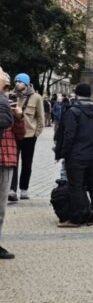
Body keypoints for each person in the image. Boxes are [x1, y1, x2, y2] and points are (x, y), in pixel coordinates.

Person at [54, 83, 93, 228]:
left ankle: (76, 218)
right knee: (92, 184)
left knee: (75, 186)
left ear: (76, 94)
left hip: (75, 155)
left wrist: (62, 153)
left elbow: (68, 135)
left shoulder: (73, 111)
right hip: (91, 154)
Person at [8, 73, 45, 202]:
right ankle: (12, 190)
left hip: (29, 135)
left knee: (27, 163)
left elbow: (40, 117)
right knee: (13, 163)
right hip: (14, 134)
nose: (16, 83)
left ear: (26, 83)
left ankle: (24, 189)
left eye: (19, 81)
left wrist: (37, 132)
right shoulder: (10, 96)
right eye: (16, 81)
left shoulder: (37, 98)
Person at [0, 68, 25, 259]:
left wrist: (18, 117)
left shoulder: (6, 103)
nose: (7, 75)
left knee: (1, 207)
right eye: (4, 73)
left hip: (7, 158)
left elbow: (19, 135)